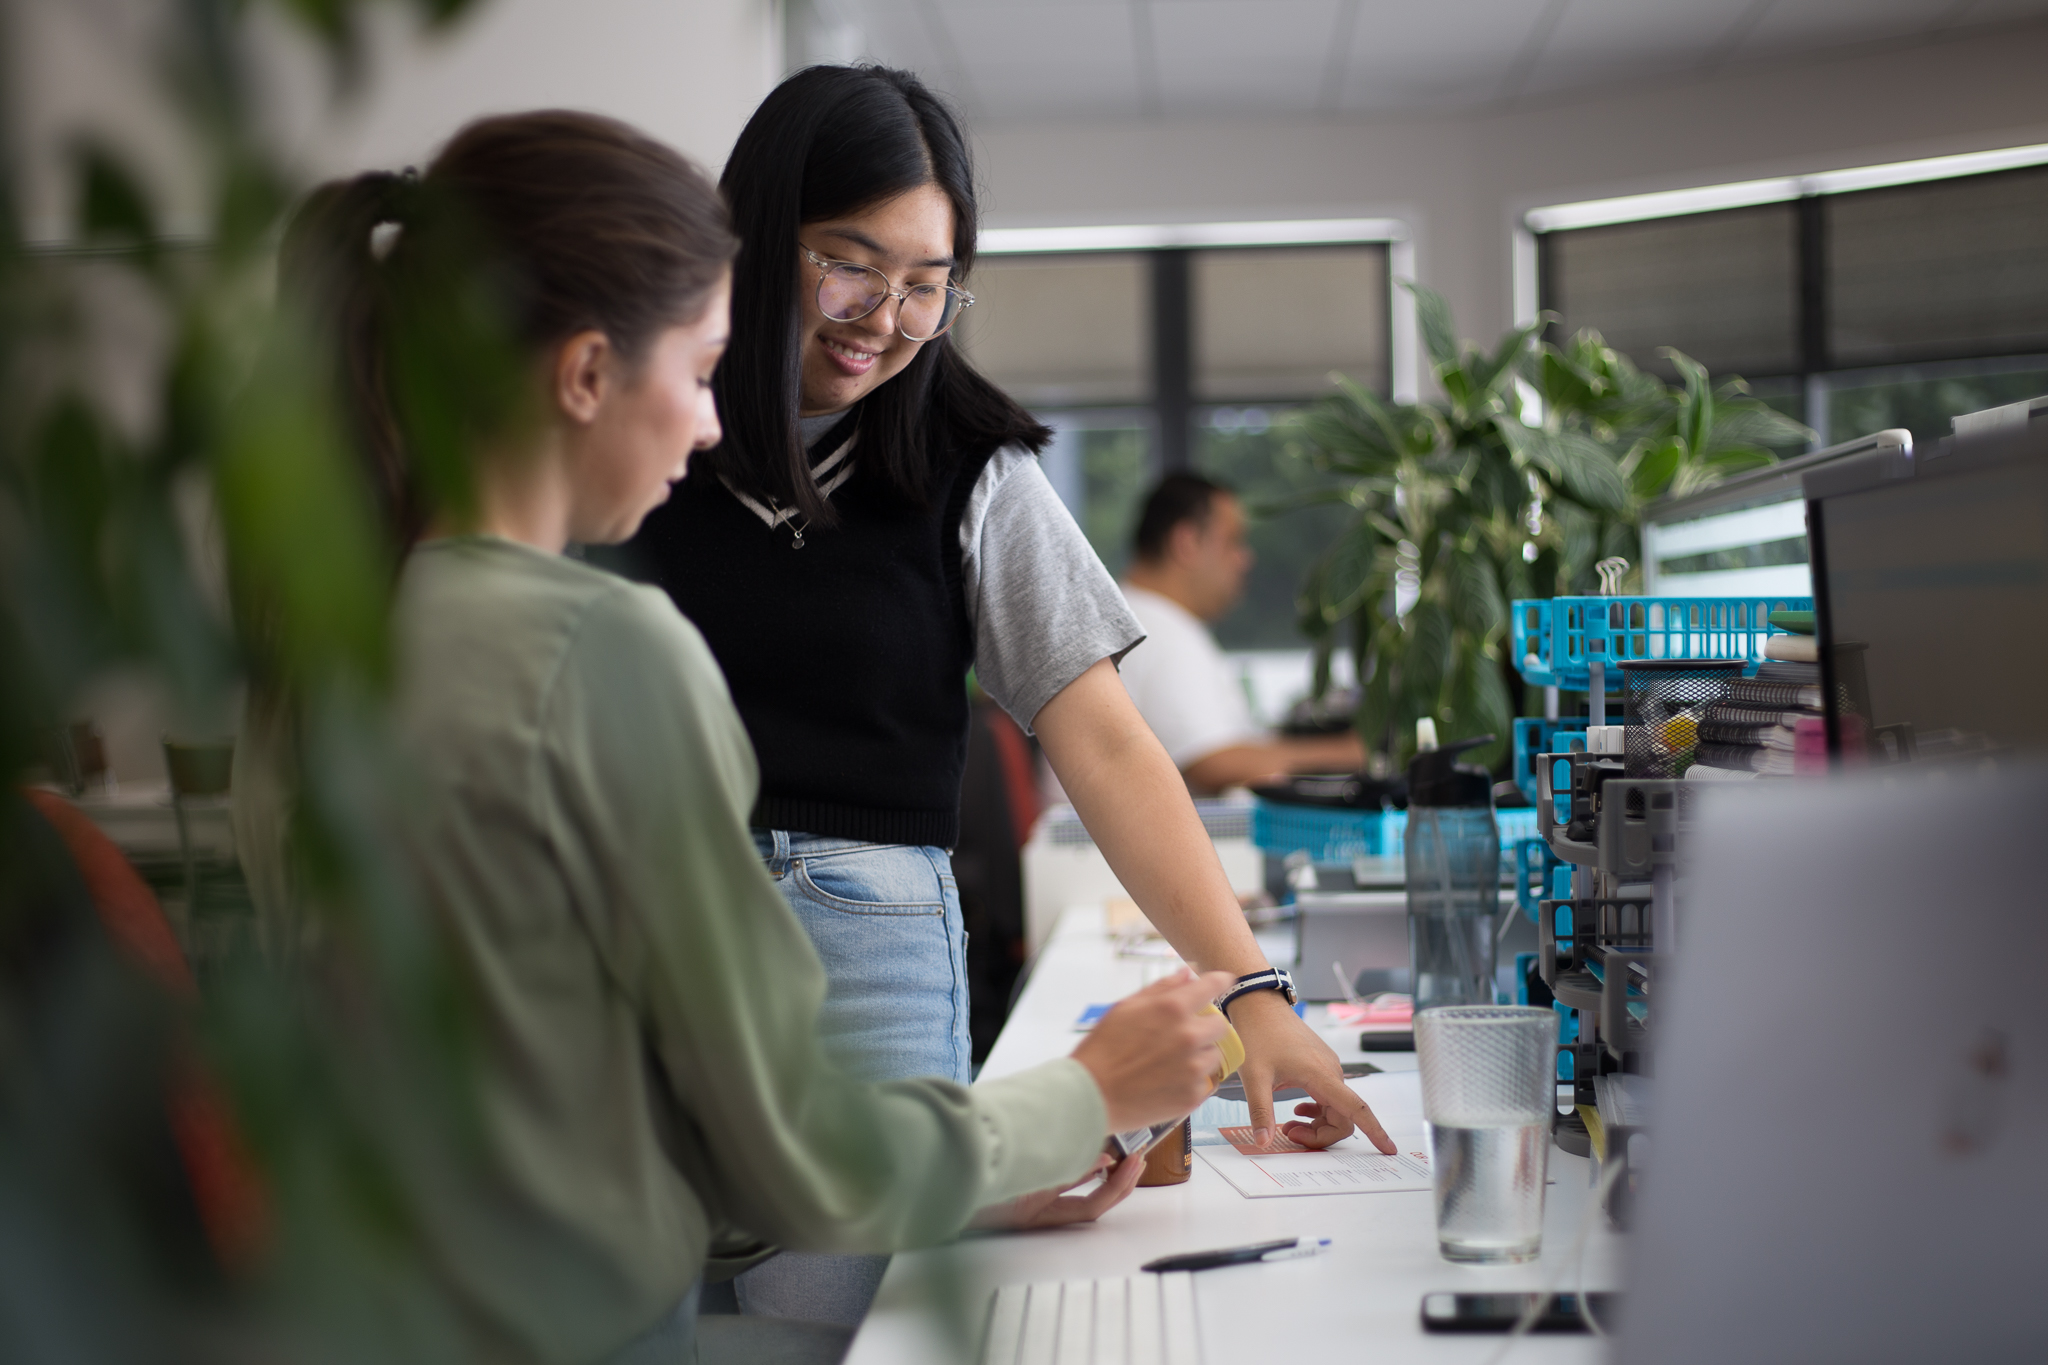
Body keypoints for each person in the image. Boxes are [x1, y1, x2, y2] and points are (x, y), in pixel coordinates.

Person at [251, 110, 1237, 1365]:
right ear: (588, 373)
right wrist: (1084, 1097)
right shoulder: (603, 648)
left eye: (925, 286)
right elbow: (786, 1154)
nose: (716, 425)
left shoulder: (319, 649)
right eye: (700, 363)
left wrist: (936, 1178)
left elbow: (564, 1107)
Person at [615, 65, 1393, 1325]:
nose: (886, 317)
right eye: (851, 265)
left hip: (864, 961)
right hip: (640, 944)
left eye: (928, 285)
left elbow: (1109, 746)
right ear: (756, 237)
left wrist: (1255, 997)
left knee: (833, 1334)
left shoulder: (971, 471)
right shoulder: (642, 438)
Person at [1118, 473, 1367, 794]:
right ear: (1186, 542)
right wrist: (1351, 752)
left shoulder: (1146, 617)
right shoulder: (1156, 631)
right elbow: (1212, 761)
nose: (1245, 559)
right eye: (1233, 541)